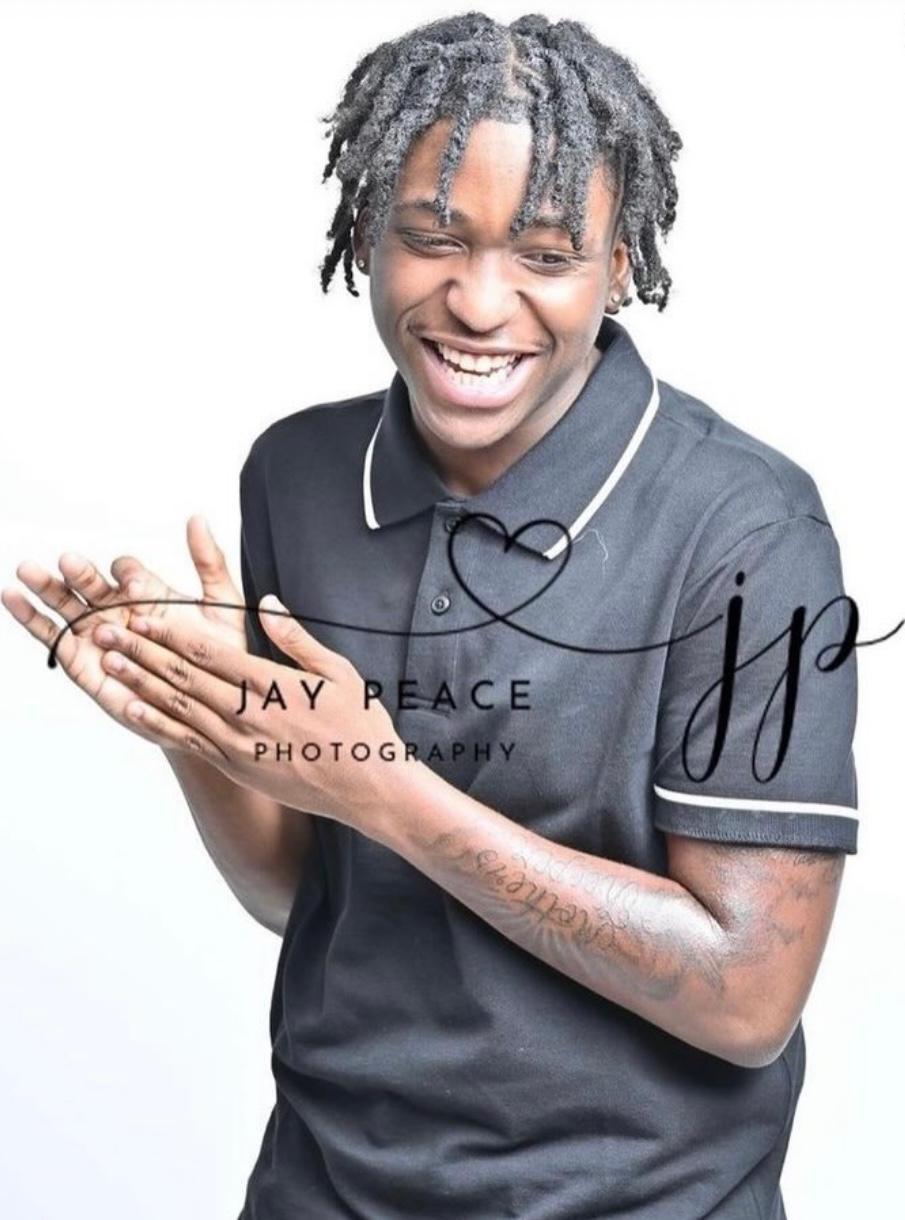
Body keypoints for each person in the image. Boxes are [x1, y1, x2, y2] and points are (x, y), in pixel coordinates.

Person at [3, 12, 859, 1219]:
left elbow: (744, 996)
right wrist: (198, 725)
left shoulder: (748, 533)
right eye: (430, 236)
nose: (479, 300)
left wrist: (382, 787)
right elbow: (304, 892)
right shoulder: (297, 477)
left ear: (619, 264)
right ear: (368, 229)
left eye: (546, 254)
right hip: (321, 1186)